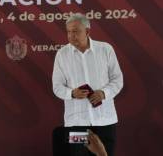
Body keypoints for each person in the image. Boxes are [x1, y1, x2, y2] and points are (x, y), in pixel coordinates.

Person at [52, 13, 123, 156]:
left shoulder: (105, 49)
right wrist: (72, 93)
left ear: (87, 31)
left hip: (105, 121)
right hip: (76, 122)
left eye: (76, 31)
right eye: (69, 32)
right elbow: (57, 87)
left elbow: (117, 79)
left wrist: (104, 93)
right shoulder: (62, 54)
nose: (71, 35)